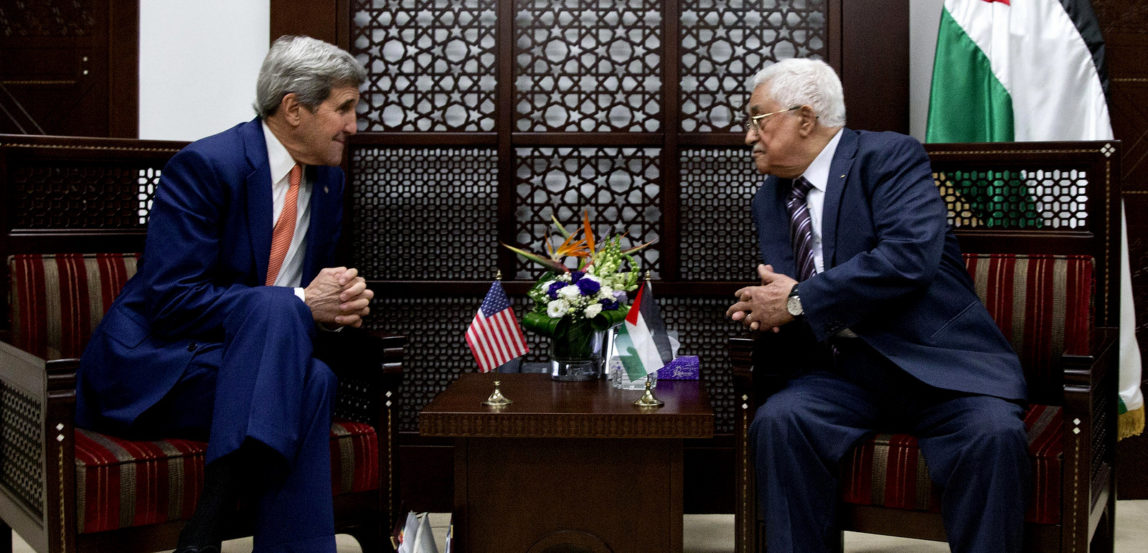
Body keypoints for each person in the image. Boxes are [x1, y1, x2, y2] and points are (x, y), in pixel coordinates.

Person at [75, 36, 373, 553]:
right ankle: (222, 525)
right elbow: (172, 301)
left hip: (251, 369)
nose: (353, 125)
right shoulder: (207, 166)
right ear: (294, 109)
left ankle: (206, 532)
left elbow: (305, 299)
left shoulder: (329, 185)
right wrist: (302, 302)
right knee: (292, 337)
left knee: (312, 369)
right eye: (343, 108)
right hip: (164, 368)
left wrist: (334, 308)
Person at [725, 58, 1029, 553]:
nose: (748, 136)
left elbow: (908, 258)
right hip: (844, 373)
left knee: (993, 437)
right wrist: (764, 306)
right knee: (780, 422)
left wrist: (798, 301)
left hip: (940, 366)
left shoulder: (888, 157)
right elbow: (789, 291)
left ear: (805, 119)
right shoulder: (770, 198)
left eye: (759, 119)